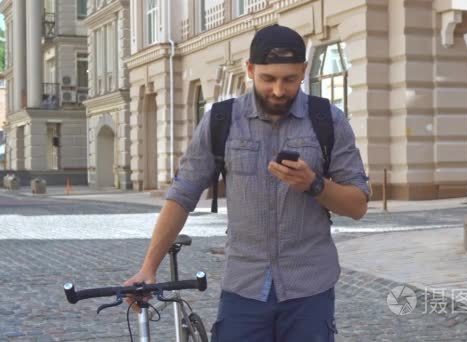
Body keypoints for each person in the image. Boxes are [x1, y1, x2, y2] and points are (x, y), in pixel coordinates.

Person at [124, 24, 370, 342]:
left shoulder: (328, 120)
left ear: (304, 71)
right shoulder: (221, 120)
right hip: (244, 288)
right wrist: (148, 268)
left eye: (290, 79)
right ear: (250, 70)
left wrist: (315, 184)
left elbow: (358, 205)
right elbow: (182, 194)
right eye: (268, 79)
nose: (279, 90)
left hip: (309, 289)